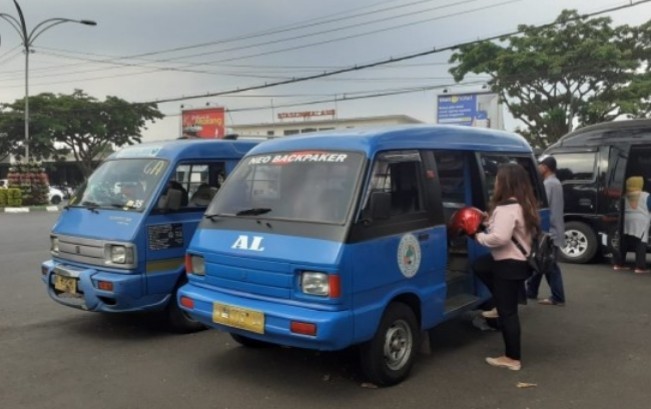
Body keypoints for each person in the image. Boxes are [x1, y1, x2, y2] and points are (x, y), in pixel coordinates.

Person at [471, 163, 540, 371]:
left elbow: (500, 237)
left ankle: (512, 358)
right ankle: (498, 306)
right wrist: (487, 220)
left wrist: (478, 236)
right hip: (520, 263)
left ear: (505, 183)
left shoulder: (506, 208)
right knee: (481, 265)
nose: (496, 182)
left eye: (499, 179)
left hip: (509, 264)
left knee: (508, 314)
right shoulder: (523, 203)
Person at [526, 156, 566, 306]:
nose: (538, 168)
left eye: (540, 165)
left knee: (550, 265)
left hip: (550, 229)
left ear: (546, 167)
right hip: (555, 227)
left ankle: (558, 297)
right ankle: (531, 291)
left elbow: (542, 206)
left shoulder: (548, 184)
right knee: (539, 260)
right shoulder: (556, 182)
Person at [612, 176, 651, 274]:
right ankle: (639, 267)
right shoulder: (646, 196)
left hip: (625, 220)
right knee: (640, 243)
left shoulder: (624, 195)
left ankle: (618, 264)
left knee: (624, 242)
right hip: (640, 221)